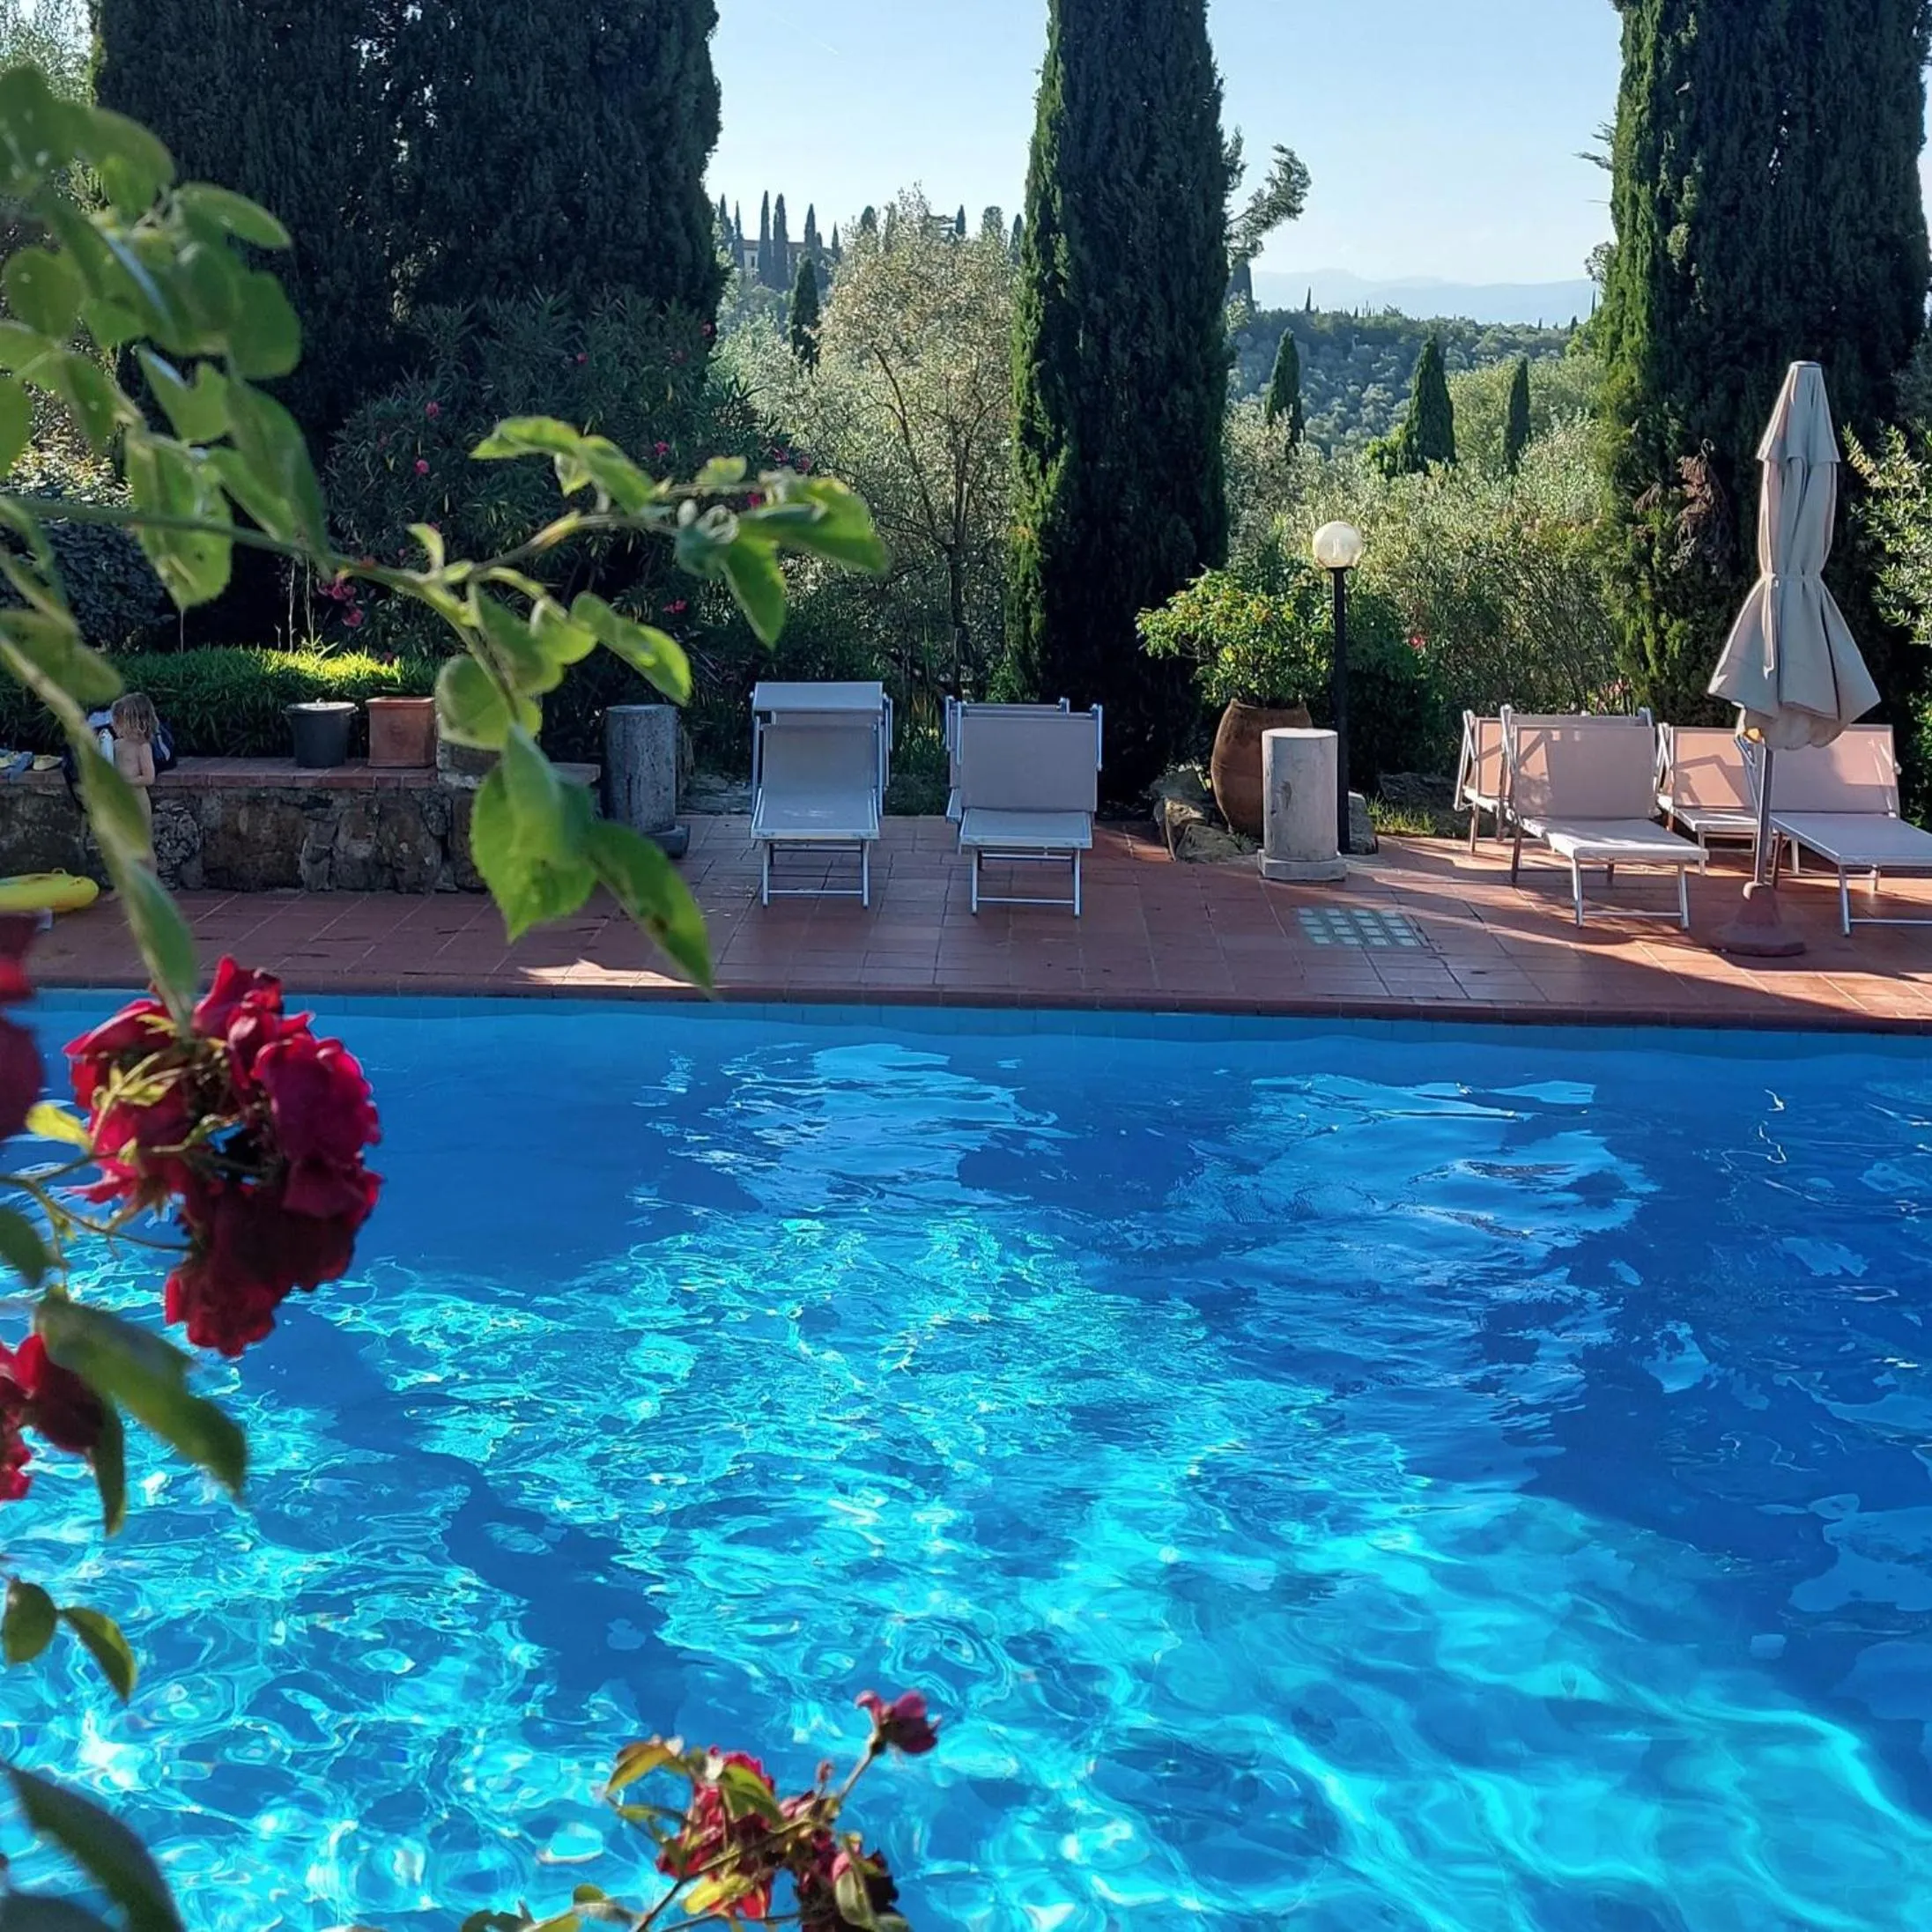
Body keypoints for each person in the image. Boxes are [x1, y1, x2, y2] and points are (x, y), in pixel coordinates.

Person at [109, 691, 160, 831]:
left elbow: (149, 778)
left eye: (118, 721)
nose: (113, 725)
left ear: (135, 722)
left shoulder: (142, 747)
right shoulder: (116, 744)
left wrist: (125, 782)